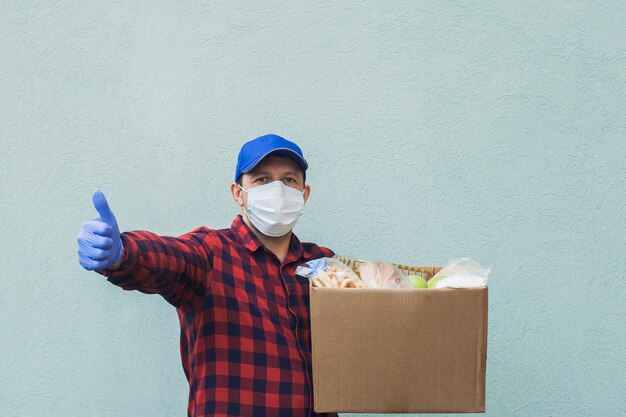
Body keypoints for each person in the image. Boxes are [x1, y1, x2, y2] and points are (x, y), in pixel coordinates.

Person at [77, 134, 339, 417]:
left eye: (289, 180)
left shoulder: (323, 265)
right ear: (238, 193)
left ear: (304, 193)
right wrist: (122, 253)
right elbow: (169, 257)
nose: (277, 189)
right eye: (262, 179)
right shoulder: (210, 254)